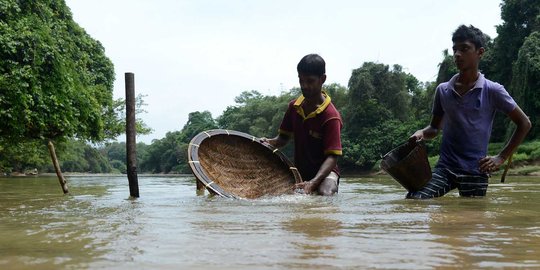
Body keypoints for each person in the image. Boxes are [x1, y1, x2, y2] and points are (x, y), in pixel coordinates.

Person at [407, 25, 531, 199]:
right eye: (455, 49)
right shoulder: (443, 90)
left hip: (476, 170)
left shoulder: (493, 90)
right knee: (414, 200)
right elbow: (434, 129)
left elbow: (524, 123)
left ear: (480, 52)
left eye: (464, 49)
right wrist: (421, 133)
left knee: (473, 219)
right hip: (445, 168)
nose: (458, 54)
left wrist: (501, 157)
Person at [263, 54, 343, 195]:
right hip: (301, 171)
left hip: (325, 173)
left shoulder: (331, 116)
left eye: (310, 81)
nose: (304, 86)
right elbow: (282, 139)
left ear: (322, 79)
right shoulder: (294, 107)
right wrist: (268, 142)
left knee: (326, 192)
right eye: (301, 80)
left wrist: (314, 182)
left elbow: (332, 157)